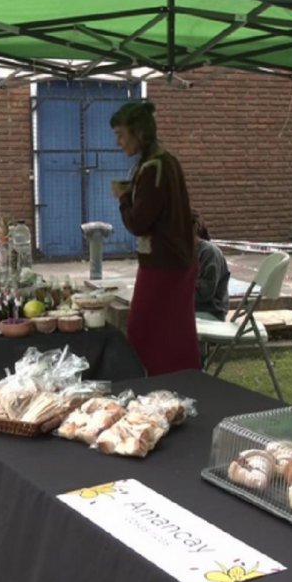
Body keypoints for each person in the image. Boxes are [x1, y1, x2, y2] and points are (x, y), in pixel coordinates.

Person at [110, 101, 199, 376]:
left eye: (122, 135)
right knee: (175, 333)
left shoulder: (153, 168)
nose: (119, 142)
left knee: (144, 331)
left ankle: (162, 385)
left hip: (163, 264)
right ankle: (183, 382)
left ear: (139, 133)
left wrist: (123, 197)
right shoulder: (165, 161)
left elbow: (138, 223)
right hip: (175, 260)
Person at [192, 210, 230, 321]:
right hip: (194, 307)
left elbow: (205, 293)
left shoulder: (209, 252)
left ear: (194, 227)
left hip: (209, 311)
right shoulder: (185, 252)